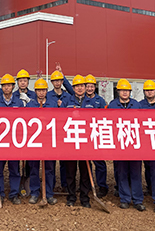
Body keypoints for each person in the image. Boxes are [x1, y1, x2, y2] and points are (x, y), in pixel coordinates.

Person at [107, 79, 145, 211]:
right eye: (122, 90)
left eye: (127, 90)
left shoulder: (136, 105)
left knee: (136, 173)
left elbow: (142, 123)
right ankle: (125, 199)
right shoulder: (112, 105)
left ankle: (138, 200)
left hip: (134, 144)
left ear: (130, 92)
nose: (124, 92)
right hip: (119, 144)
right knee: (122, 172)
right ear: (118, 91)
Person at [0, 74, 24, 204]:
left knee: (14, 169)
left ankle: (14, 194)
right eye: (4, 85)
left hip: (13, 141)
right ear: (1, 87)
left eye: (9, 85)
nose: (6, 88)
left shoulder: (18, 102)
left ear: (13, 86)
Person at [60, 75, 91, 208]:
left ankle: (85, 198)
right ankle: (71, 197)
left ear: (85, 87)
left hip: (86, 142)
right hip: (71, 141)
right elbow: (60, 118)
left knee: (85, 172)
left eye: (82, 86)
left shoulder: (91, 102)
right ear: (73, 88)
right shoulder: (67, 101)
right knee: (70, 172)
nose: (79, 88)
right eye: (77, 86)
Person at [26, 78, 57, 205]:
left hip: (48, 141)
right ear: (35, 91)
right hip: (34, 142)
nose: (41, 93)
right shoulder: (30, 105)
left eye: (43, 90)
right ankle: (34, 193)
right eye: (39, 90)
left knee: (49, 168)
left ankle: (48, 193)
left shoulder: (53, 104)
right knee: (34, 168)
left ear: (46, 91)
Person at [46, 67, 73, 192]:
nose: (57, 83)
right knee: (50, 162)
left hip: (64, 132)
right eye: (55, 81)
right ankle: (50, 187)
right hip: (51, 133)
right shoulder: (48, 95)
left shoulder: (68, 96)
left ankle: (65, 185)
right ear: (52, 82)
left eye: (59, 80)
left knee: (64, 161)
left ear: (62, 82)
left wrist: (62, 106)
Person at [84, 74, 108, 197]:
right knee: (86, 163)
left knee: (99, 163)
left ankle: (102, 186)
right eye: (87, 86)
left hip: (97, 135)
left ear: (95, 87)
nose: (89, 88)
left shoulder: (100, 100)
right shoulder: (81, 100)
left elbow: (105, 117)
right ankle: (88, 184)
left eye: (91, 86)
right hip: (84, 135)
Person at [140, 79, 155, 196]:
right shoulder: (140, 105)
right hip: (145, 139)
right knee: (147, 165)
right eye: (147, 90)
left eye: (151, 90)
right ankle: (149, 186)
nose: (149, 92)